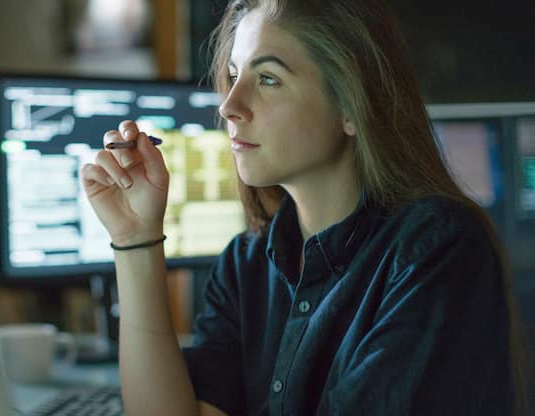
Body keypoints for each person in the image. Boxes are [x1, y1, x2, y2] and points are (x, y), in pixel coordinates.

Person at [80, 0, 530, 414]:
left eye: (268, 79)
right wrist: (136, 239)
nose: (230, 105)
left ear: (352, 107)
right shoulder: (247, 263)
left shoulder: (436, 248)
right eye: (234, 76)